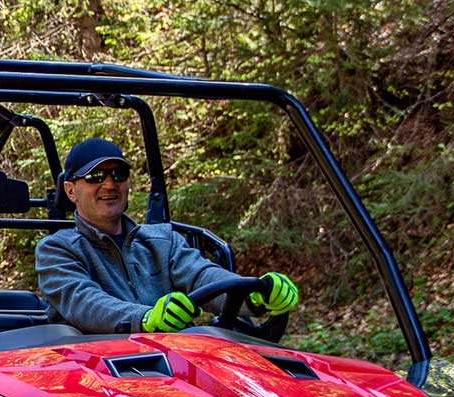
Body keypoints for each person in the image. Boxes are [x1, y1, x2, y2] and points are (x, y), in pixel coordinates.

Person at [35, 138, 300, 334]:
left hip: (173, 370)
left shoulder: (163, 241)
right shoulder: (56, 250)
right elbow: (84, 303)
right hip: (95, 376)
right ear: (71, 191)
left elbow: (202, 276)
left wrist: (253, 293)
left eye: (119, 174)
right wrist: (146, 318)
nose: (109, 184)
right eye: (94, 176)